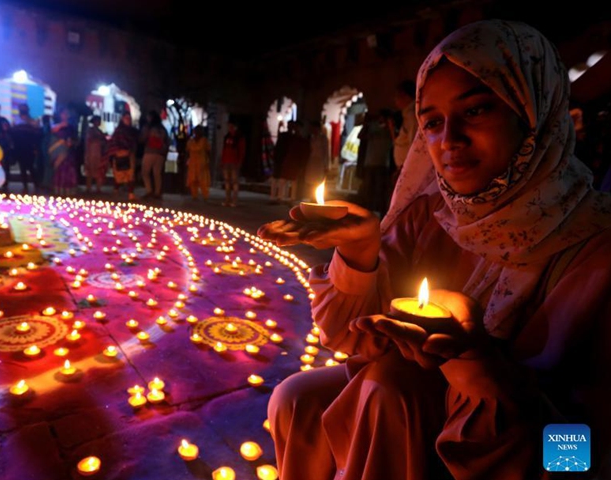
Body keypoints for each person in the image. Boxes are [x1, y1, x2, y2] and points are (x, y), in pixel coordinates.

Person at [257, 19, 611, 480]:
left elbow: (583, 457)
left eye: (478, 109)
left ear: (535, 111)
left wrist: (480, 372)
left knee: (390, 388)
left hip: (515, 441)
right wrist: (362, 254)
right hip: (396, 404)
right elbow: (352, 340)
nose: (449, 141)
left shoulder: (595, 247)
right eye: (433, 121)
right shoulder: (431, 216)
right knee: (296, 398)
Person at [389, 79, 417, 181]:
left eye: (397, 96)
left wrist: (406, 168)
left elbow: (414, 145)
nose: (395, 100)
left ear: (405, 95)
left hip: (408, 170)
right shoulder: (406, 116)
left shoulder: (412, 116)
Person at [106, 111, 139, 200]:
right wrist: (118, 151)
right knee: (119, 175)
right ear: (122, 119)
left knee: (130, 175)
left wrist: (130, 150)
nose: (128, 120)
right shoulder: (118, 130)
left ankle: (131, 194)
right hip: (119, 155)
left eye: (129, 118)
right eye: (126, 118)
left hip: (129, 155)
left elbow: (134, 142)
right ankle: (116, 191)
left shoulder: (132, 131)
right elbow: (114, 142)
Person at [139, 110, 169, 199]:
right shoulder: (162, 129)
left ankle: (149, 190)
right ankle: (157, 192)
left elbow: (142, 138)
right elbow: (167, 141)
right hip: (160, 153)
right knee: (157, 173)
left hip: (150, 151)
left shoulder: (148, 128)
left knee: (145, 172)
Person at [220, 120, 246, 207]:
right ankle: (227, 199)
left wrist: (239, 162)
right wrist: (222, 161)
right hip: (226, 162)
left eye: (231, 126)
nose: (229, 128)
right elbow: (224, 150)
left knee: (234, 182)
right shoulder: (226, 137)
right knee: (227, 181)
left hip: (234, 162)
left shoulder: (239, 138)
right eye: (228, 126)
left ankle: (234, 201)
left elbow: (241, 151)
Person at [304, 120, 330, 199]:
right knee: (310, 179)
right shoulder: (310, 137)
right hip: (311, 160)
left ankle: (316, 197)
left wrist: (326, 164)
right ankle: (310, 196)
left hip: (319, 161)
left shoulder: (323, 138)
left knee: (318, 179)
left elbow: (326, 152)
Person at [184, 125, 212, 201]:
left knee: (203, 180)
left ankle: (205, 195)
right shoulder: (190, 141)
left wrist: (208, 161)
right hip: (192, 162)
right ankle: (194, 195)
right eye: (196, 131)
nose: (197, 133)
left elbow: (208, 151)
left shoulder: (204, 141)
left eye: (199, 131)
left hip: (201, 162)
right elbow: (187, 151)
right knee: (193, 180)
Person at [84, 115, 107, 193]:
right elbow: (90, 141)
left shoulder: (99, 132)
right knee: (90, 170)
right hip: (91, 152)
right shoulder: (90, 131)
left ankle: (98, 187)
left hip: (98, 152)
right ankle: (88, 187)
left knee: (98, 170)